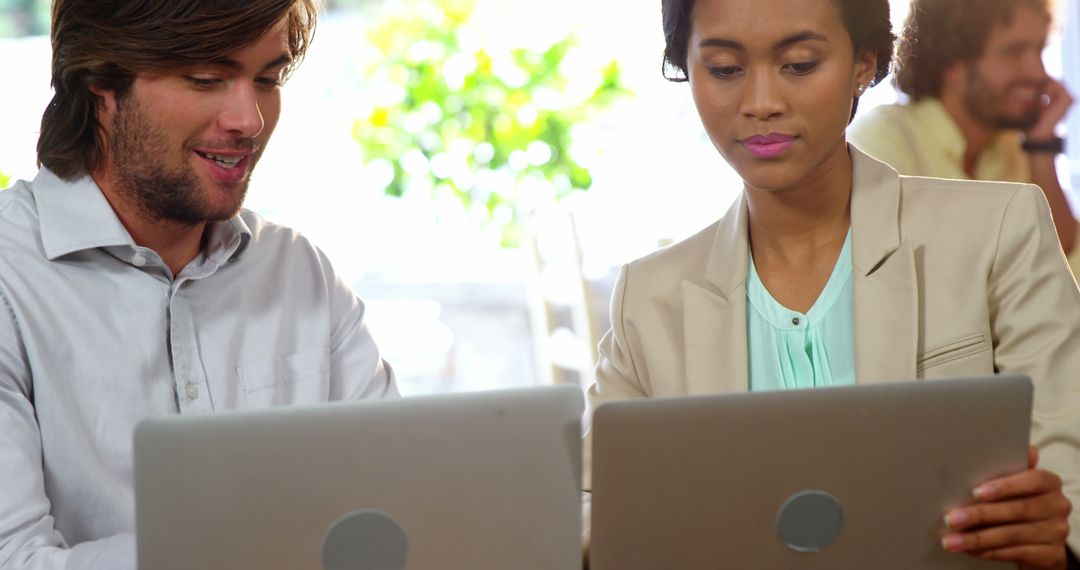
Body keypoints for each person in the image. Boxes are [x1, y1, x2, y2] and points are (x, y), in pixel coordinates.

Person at [585, 0, 1080, 566]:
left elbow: (1069, 463)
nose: (761, 103)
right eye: (724, 69)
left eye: (799, 64)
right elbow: (586, 502)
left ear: (864, 63)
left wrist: (1057, 542)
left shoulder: (997, 232)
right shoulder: (649, 299)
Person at [0, 1, 398, 568]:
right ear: (99, 85)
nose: (249, 120)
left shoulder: (299, 271)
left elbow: (393, 507)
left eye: (268, 79)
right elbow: (13, 559)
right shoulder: (10, 281)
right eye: (207, 79)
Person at [849, 0, 1080, 280]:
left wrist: (1042, 147)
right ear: (950, 61)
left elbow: (1066, 271)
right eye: (1015, 52)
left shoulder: (1013, 149)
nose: (1038, 72)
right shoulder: (881, 142)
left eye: (1039, 50)